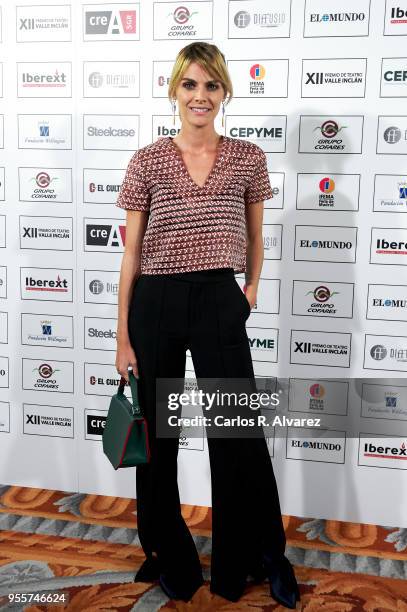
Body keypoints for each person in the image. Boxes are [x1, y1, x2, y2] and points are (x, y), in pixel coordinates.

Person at [114, 42, 300, 608]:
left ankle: (260, 554)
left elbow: (256, 232)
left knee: (238, 434)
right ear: (175, 89)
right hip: (157, 301)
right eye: (191, 85)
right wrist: (122, 335)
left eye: (211, 86)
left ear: (224, 92)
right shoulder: (147, 159)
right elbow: (131, 251)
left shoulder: (247, 157)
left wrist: (249, 290)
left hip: (220, 299)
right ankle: (167, 551)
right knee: (159, 438)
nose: (201, 96)